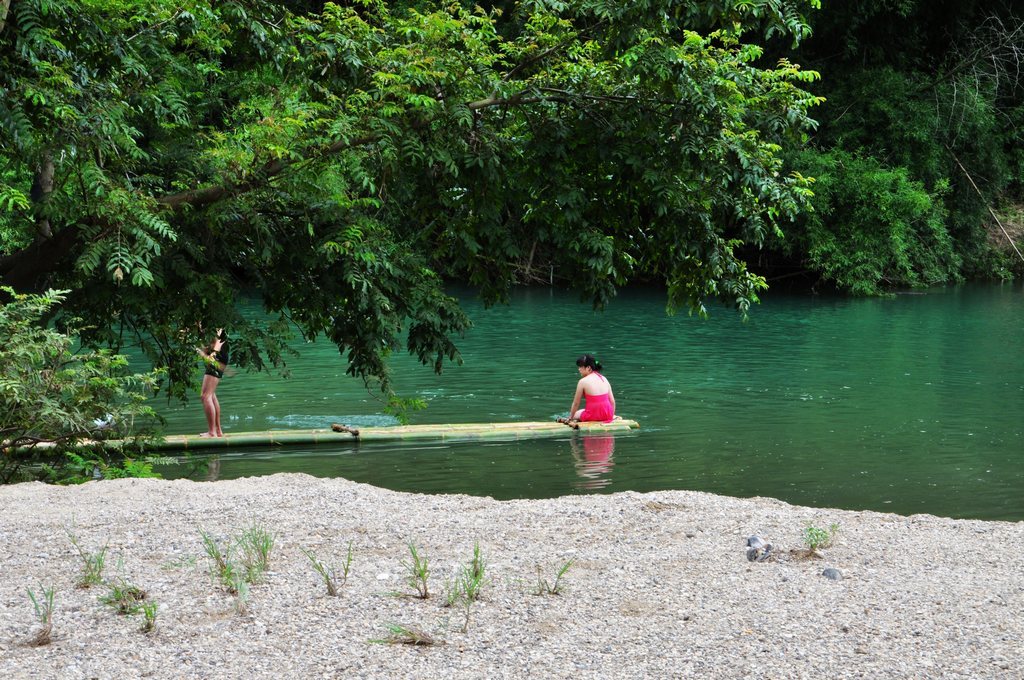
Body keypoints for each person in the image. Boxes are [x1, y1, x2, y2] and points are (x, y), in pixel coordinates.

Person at [566, 353, 616, 423]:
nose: (579, 369)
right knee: (582, 410)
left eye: (580, 367)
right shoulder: (604, 378)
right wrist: (611, 416)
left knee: (576, 414)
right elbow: (612, 402)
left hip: (592, 416)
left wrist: (570, 418)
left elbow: (576, 403)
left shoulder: (582, 381)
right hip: (607, 415)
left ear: (588, 368)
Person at [198, 328, 229, 437]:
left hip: (216, 358)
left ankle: (212, 432)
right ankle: (218, 431)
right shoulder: (204, 321)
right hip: (215, 358)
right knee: (208, 395)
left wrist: (204, 353)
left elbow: (217, 344)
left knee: (206, 396)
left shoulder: (215, 321)